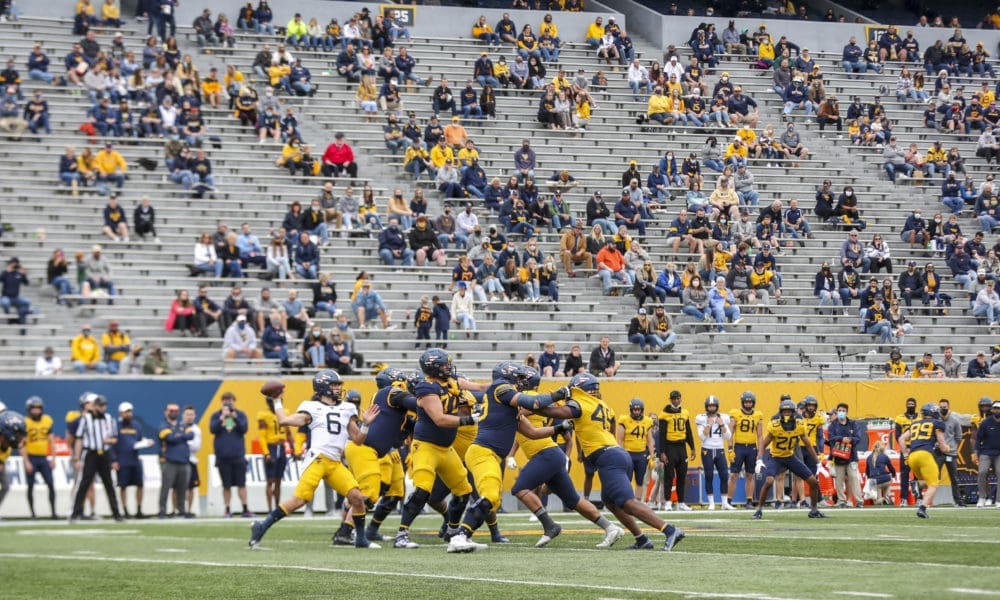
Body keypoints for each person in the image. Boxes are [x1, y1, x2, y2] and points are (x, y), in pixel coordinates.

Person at [540, 373, 685, 551]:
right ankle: (641, 539)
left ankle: (670, 530)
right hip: (614, 453)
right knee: (611, 502)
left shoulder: (581, 404)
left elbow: (549, 411)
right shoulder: (602, 405)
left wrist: (535, 402)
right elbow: (611, 428)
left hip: (608, 457)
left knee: (627, 502)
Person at [448, 362, 572, 552]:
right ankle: (459, 537)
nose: (522, 382)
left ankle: (462, 535)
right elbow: (534, 403)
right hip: (483, 452)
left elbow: (533, 433)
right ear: (508, 376)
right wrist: (557, 395)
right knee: (490, 495)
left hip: (489, 454)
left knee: (493, 500)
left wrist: (558, 428)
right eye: (520, 377)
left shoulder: (509, 406)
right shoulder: (501, 388)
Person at [752, 399, 827, 519]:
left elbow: (808, 444)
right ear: (780, 412)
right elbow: (763, 444)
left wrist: (818, 463)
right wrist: (759, 459)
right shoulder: (775, 426)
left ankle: (814, 510)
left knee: (813, 481)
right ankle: (759, 510)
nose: (787, 414)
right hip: (776, 457)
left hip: (790, 457)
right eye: (784, 411)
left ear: (793, 413)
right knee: (769, 481)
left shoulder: (799, 425)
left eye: (789, 411)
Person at [69, 394, 124, 522]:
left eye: (104, 405)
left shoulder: (110, 419)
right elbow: (79, 439)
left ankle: (117, 514)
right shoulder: (86, 419)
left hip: (104, 454)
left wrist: (109, 440)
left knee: (109, 484)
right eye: (100, 405)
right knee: (84, 483)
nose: (102, 408)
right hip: (90, 454)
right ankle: (75, 513)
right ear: (94, 406)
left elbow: (115, 438)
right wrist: (76, 458)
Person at [898, 403, 951, 518]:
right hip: (925, 455)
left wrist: (905, 455)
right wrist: (947, 448)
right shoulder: (937, 423)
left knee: (924, 482)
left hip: (912, 456)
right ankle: (922, 508)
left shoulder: (915, 423)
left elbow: (901, 438)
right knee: (934, 484)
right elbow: (942, 445)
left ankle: (915, 484)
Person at [23, 396, 57, 520]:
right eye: (34, 408)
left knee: (51, 484)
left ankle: (53, 512)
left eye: (38, 408)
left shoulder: (47, 420)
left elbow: (52, 440)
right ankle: (32, 514)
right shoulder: (25, 422)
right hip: (31, 457)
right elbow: (22, 443)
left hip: (43, 458)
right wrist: (26, 461)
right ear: (29, 409)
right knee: (31, 486)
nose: (36, 411)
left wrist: (53, 458)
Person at [114, 401, 148, 519]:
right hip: (122, 460)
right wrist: (114, 460)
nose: (129, 414)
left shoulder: (136, 425)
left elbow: (139, 440)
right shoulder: (116, 426)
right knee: (123, 486)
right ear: (121, 413)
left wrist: (146, 443)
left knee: (140, 484)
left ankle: (139, 509)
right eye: (126, 412)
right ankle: (125, 510)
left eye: (130, 411)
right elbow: (112, 444)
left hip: (135, 459)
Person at [617, 398, 655, 499]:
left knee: (640, 480)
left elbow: (650, 440)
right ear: (631, 410)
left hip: (641, 454)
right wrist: (621, 454)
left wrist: (652, 456)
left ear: (642, 410)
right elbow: (620, 440)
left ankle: (637, 502)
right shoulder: (624, 420)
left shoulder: (647, 421)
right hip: (628, 453)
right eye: (634, 409)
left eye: (638, 410)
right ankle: (627, 500)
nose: (637, 412)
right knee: (626, 479)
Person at [827, 403, 863, 507]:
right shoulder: (832, 425)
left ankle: (859, 501)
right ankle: (841, 501)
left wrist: (850, 440)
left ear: (846, 412)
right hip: (838, 457)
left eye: (843, 410)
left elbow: (858, 437)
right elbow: (831, 438)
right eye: (839, 410)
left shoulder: (853, 423)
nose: (841, 412)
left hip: (851, 457)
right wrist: (841, 439)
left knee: (854, 478)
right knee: (839, 480)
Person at [974, 401, 1000, 507]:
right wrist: (976, 453)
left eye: (999, 408)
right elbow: (978, 439)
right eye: (995, 408)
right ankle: (982, 498)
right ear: (992, 410)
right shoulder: (985, 423)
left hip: (999, 453)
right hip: (986, 452)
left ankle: (998, 500)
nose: (997, 410)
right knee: (982, 472)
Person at [0, 257, 31, 326]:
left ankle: (20, 316)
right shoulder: (5, 272)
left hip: (15, 297)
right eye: (12, 263)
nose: (14, 265)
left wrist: (23, 274)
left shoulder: (18, 273)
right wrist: (6, 271)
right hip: (5, 297)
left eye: (15, 263)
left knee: (27, 302)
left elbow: (26, 283)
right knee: (5, 302)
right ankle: (9, 318)